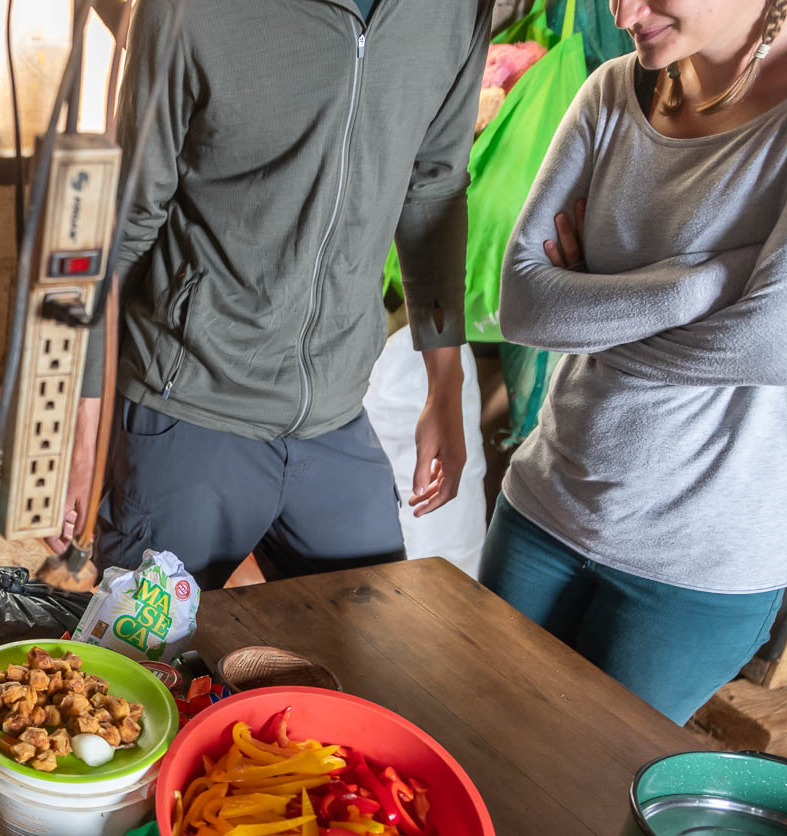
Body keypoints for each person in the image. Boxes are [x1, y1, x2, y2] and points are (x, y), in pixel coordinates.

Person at [484, 0, 787, 723]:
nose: (623, 10)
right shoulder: (612, 88)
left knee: (582, 798)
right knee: (469, 744)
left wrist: (595, 304)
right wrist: (711, 279)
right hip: (543, 503)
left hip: (700, 561)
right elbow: (529, 307)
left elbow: (778, 342)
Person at [76, 0, 492, 586]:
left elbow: (434, 189)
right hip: (191, 401)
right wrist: (79, 427)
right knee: (149, 668)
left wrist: (444, 385)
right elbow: (123, 225)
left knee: (368, 663)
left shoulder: (457, 10)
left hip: (338, 412)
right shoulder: (185, 10)